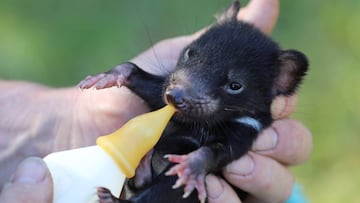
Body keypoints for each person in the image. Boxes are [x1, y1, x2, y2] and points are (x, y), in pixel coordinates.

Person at [0, 0, 312, 202]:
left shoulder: (247, 122)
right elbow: (158, 93)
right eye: (191, 56)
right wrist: (129, 74)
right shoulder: (180, 93)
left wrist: (203, 160)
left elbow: (227, 149)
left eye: (232, 86)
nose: (181, 90)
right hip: (142, 165)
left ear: (278, 83)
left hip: (177, 182)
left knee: (181, 188)